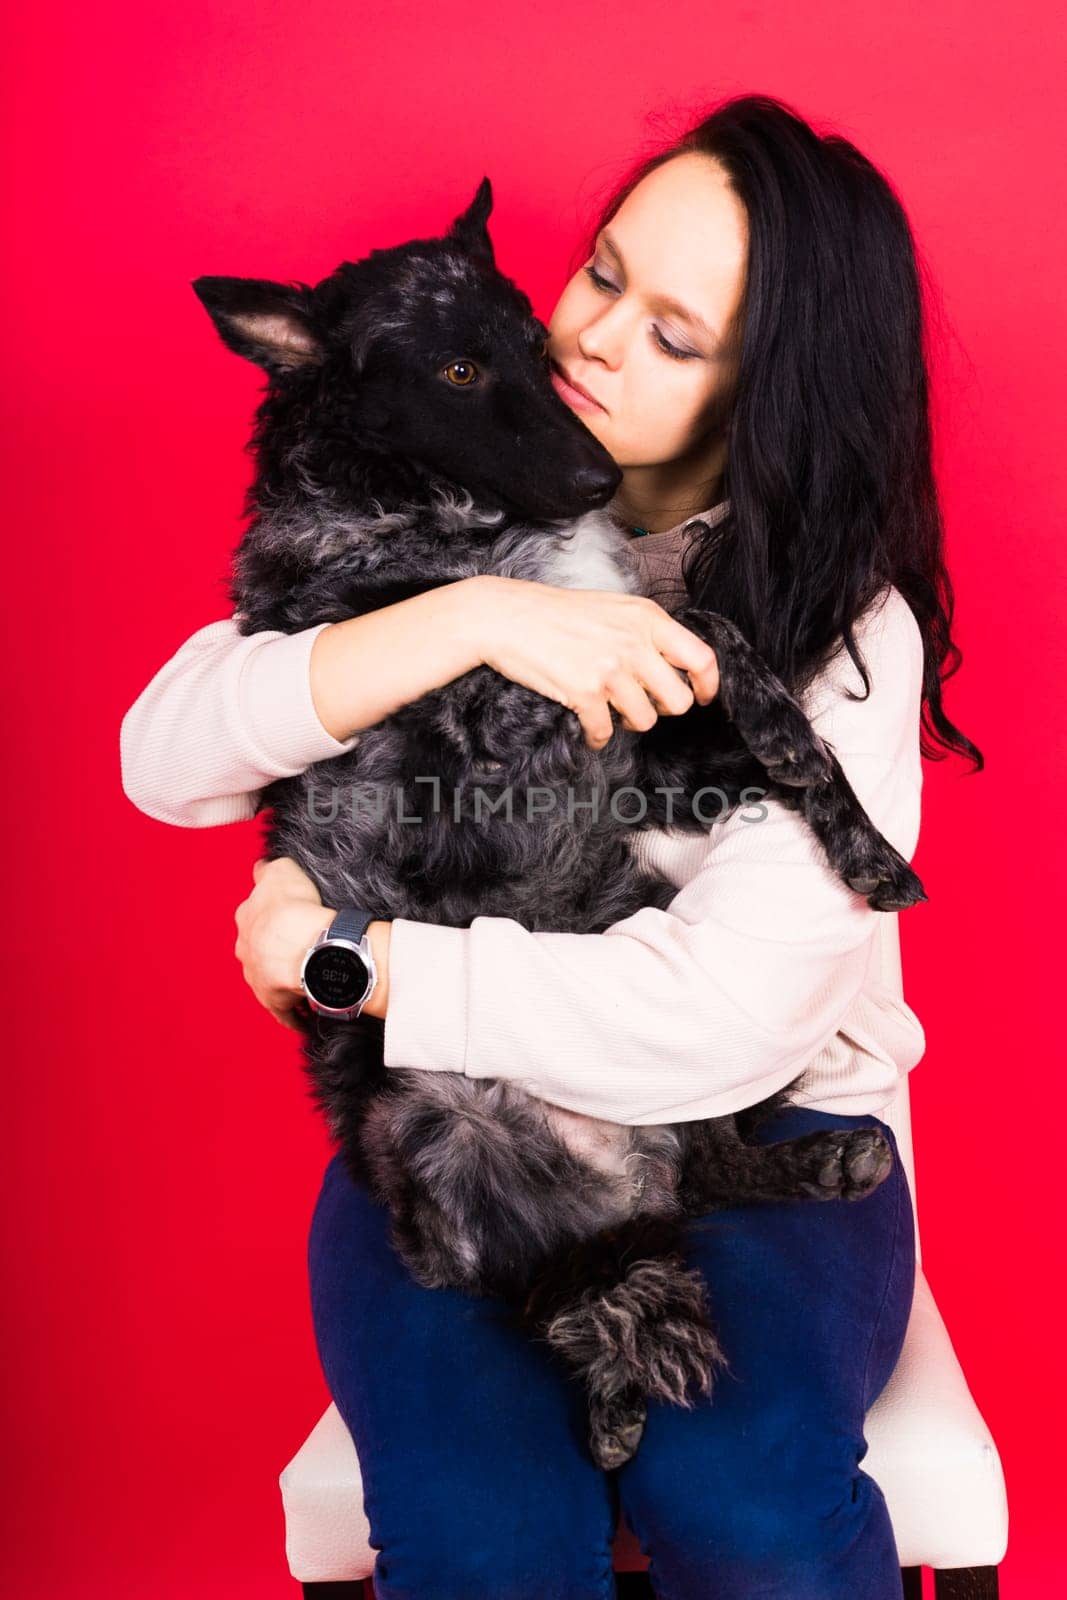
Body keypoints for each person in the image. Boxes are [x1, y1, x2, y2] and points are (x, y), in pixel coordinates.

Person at [120, 93, 982, 1600]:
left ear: (766, 387)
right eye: (601, 275)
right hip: (455, 1126)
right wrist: (476, 616)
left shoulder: (846, 630)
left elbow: (722, 1020)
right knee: (481, 1535)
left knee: (745, 1496)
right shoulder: (440, 519)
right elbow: (169, 753)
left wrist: (358, 961)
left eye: (676, 334)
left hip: (763, 1126)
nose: (591, 338)